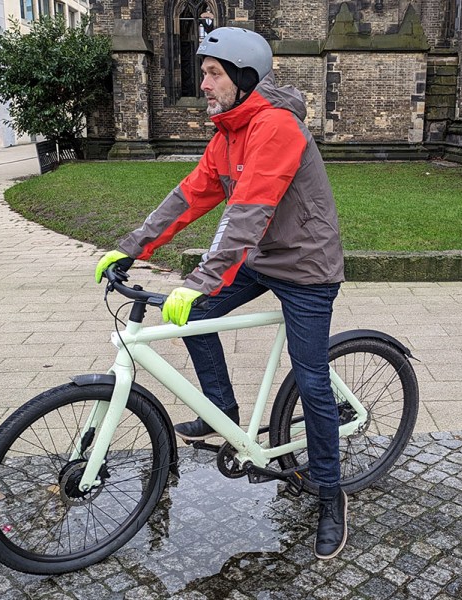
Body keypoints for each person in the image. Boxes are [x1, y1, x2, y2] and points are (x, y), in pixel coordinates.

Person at [94, 27, 347, 560]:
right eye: (203, 73)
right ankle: (222, 411)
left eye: (213, 73)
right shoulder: (228, 133)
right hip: (259, 259)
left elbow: (248, 212)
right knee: (190, 316)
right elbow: (189, 195)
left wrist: (199, 279)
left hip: (306, 267)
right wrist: (131, 247)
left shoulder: (276, 126)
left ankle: (330, 495)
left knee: (311, 380)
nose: (203, 83)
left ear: (243, 77)